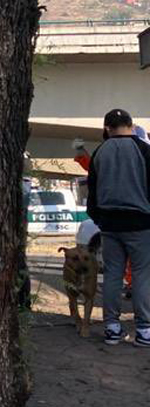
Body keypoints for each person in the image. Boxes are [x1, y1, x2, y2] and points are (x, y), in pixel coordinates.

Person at [86, 108, 150, 347]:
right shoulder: (144, 150)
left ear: (107, 128)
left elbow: (92, 191)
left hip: (109, 224)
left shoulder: (100, 152)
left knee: (113, 273)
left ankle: (112, 328)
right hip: (141, 223)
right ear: (132, 126)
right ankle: (144, 330)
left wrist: (98, 217)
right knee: (142, 275)